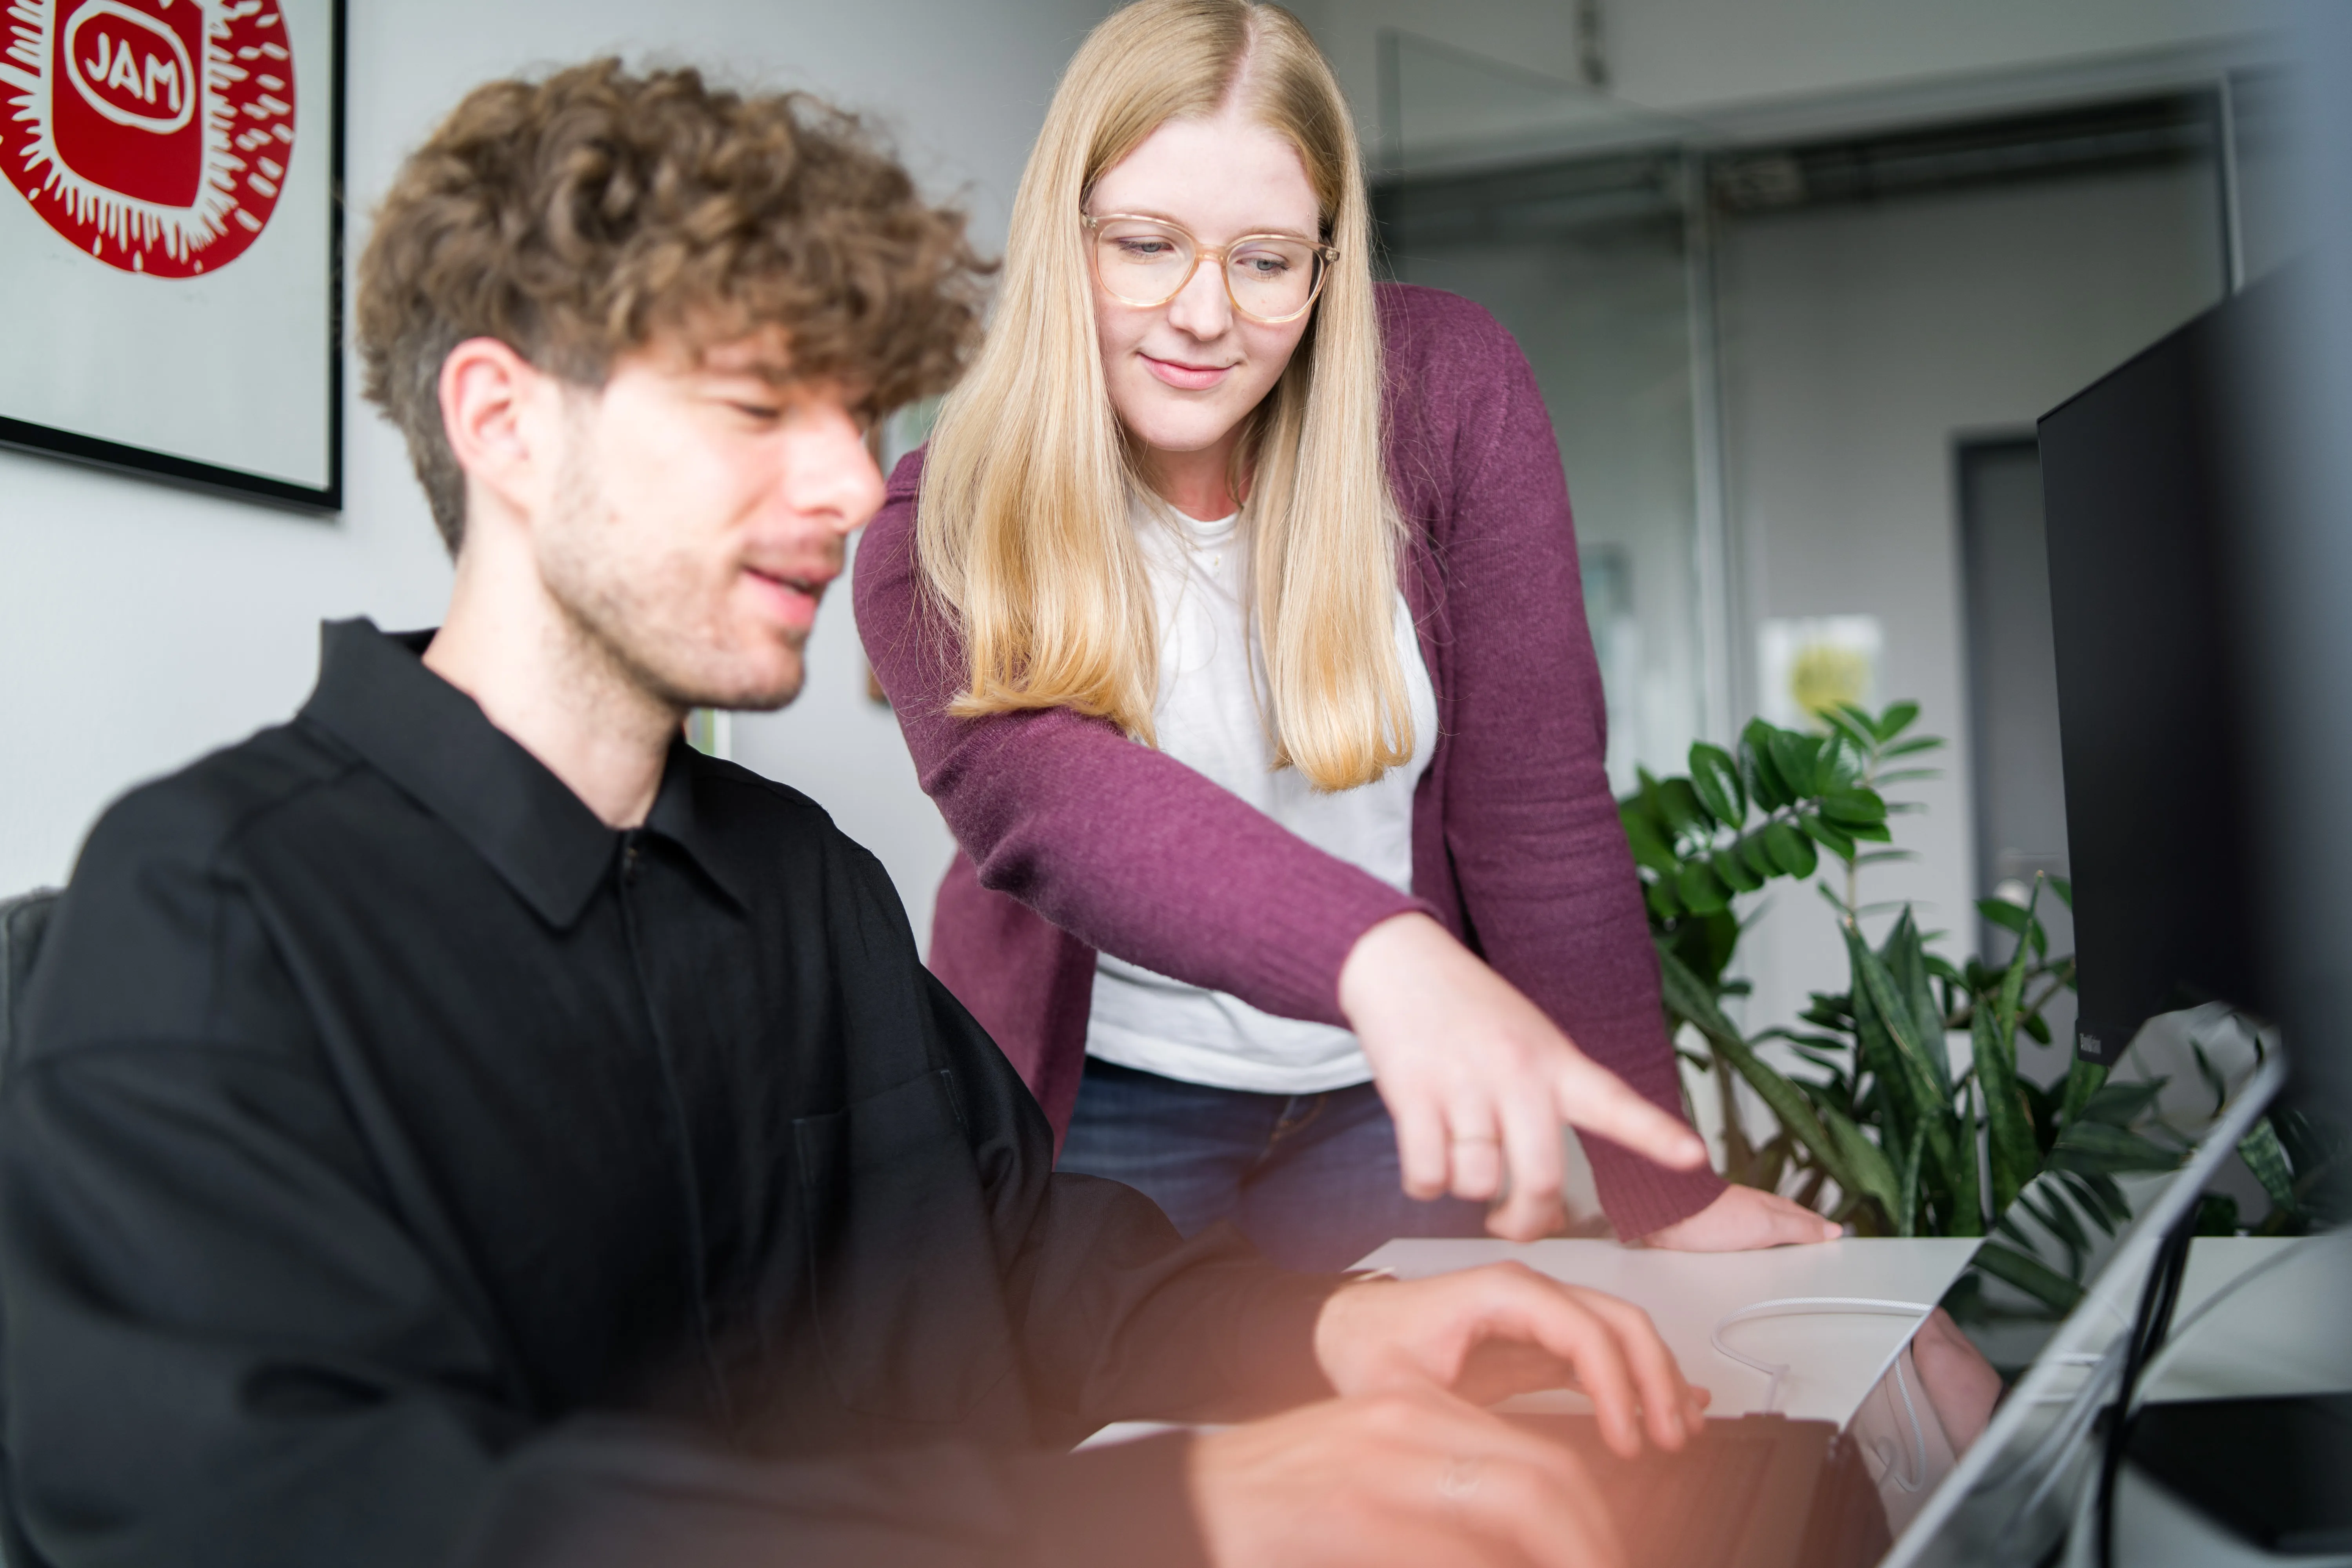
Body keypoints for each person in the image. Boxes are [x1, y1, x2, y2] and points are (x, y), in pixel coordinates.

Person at [0, 59, 1711, 1568]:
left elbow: (1016, 1258)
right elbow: (328, 1523)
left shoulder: (797, 891)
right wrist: (1168, 1520)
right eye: (758, 407)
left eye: (851, 413)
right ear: (501, 420)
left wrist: (1333, 1336)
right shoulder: (211, 911)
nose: (843, 486)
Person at [855, 0, 1838, 1269]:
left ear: (1325, 263)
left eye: (1265, 260)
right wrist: (1384, 957)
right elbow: (1054, 805)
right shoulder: (936, 523)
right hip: (1106, 1100)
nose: (1205, 315)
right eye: (1147, 244)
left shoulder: (1447, 394)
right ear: (1063, 238)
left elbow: (1536, 815)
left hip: (1389, 1093)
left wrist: (1668, 1187)